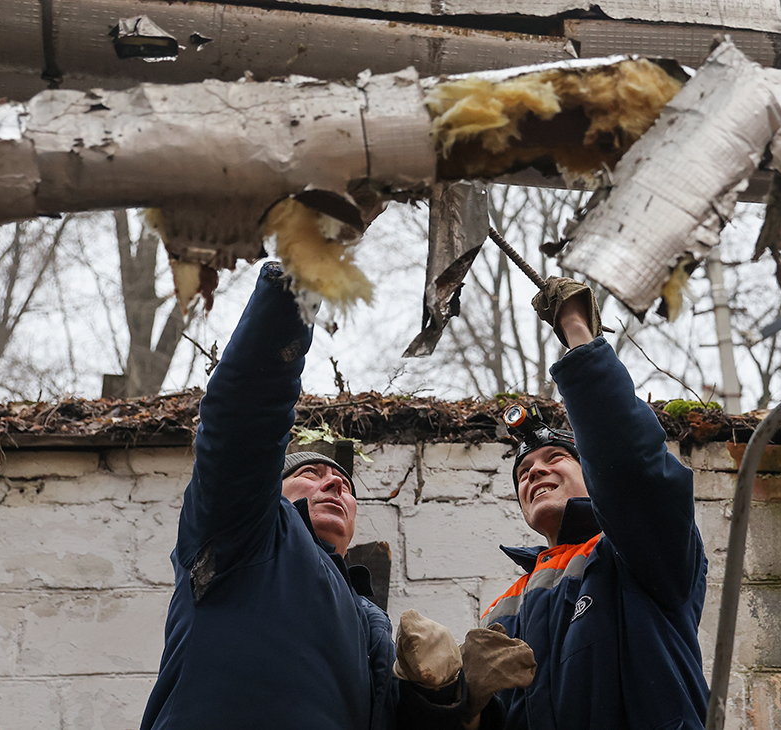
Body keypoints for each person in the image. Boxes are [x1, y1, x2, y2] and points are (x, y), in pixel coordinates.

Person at [140, 261, 492, 730]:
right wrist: (301, 276)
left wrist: (442, 696)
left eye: (344, 485)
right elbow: (244, 411)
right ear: (271, 491)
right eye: (310, 473)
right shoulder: (243, 532)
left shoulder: (368, 619)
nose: (333, 484)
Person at [479, 278, 709, 730]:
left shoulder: (636, 553)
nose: (534, 473)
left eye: (555, 458)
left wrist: (578, 334)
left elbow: (632, 467)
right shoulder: (503, 609)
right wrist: (453, 702)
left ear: (593, 472)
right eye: (523, 473)